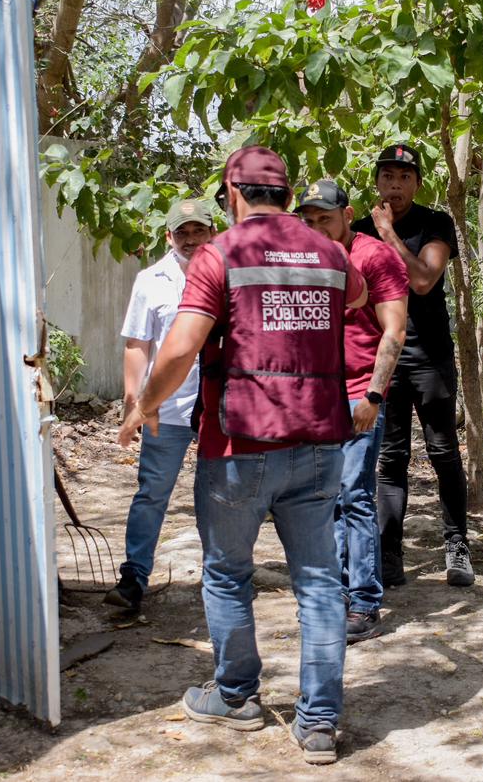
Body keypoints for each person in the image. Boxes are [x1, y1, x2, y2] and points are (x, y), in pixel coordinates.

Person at [118, 146, 367, 765]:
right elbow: (358, 297)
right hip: (319, 443)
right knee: (319, 581)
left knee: (228, 573)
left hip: (238, 447)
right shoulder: (331, 252)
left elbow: (180, 348)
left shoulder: (221, 254)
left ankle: (236, 696)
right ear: (289, 195)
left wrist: (144, 403)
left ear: (232, 193)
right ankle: (318, 723)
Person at [352, 143, 474, 588]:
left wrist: (387, 234)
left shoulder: (434, 223)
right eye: (387, 176)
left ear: (418, 183)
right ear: (376, 181)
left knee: (443, 451)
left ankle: (457, 545)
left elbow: (423, 279)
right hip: (383, 360)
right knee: (391, 458)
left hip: (429, 357)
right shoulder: (357, 229)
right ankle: (389, 553)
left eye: (405, 177)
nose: (395, 185)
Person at [297, 178, 409, 644]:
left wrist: (374, 396)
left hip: (359, 392)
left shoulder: (375, 256)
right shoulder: (305, 258)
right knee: (325, 497)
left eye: (325, 218)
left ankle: (365, 602)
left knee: (354, 494)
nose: (317, 227)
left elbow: (395, 330)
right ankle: (337, 593)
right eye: (309, 220)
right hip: (317, 394)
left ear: (348, 214)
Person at [104, 199, 217, 612]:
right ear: (169, 237)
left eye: (198, 231)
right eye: (182, 232)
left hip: (217, 408)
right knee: (152, 492)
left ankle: (220, 577)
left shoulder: (229, 275)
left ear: (213, 233)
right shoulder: (151, 280)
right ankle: (134, 577)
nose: (190, 239)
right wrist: (134, 401)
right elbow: (137, 344)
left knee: (217, 495)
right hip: (166, 409)